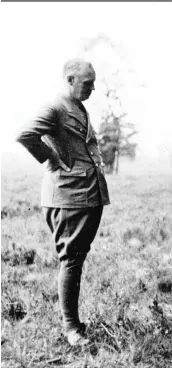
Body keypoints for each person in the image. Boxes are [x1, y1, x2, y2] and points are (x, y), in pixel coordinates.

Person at [16, 58, 110, 346]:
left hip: (85, 193)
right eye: (87, 83)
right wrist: (52, 158)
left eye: (93, 83)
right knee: (71, 261)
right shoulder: (54, 107)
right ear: (70, 80)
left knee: (76, 259)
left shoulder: (78, 107)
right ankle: (71, 329)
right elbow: (26, 135)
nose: (93, 88)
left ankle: (75, 323)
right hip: (67, 196)